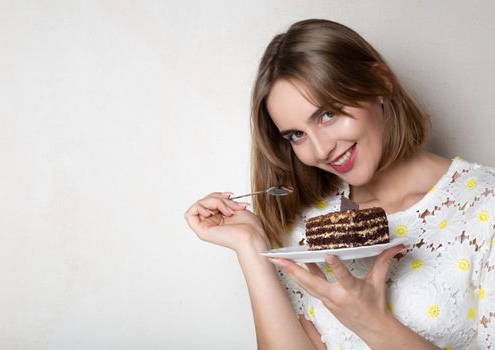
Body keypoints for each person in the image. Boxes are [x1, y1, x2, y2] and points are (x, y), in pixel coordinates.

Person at [184, 19, 495, 350]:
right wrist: (250, 246)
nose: (320, 150)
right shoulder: (308, 231)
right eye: (296, 135)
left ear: (380, 82)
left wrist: (371, 323)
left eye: (327, 115)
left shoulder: (483, 207)